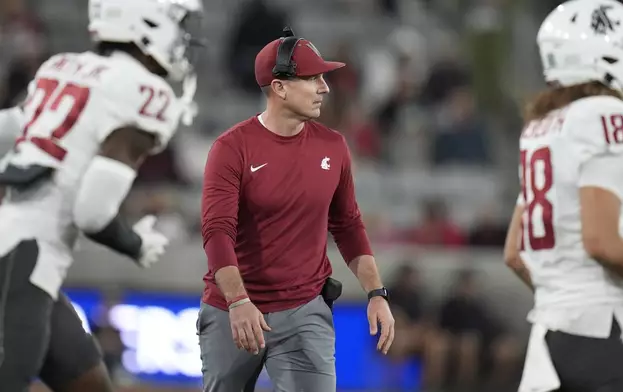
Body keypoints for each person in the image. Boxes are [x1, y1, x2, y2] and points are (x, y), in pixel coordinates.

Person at [0, 0, 203, 391]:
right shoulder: (146, 93)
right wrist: (136, 243)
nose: (181, 38)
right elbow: (92, 211)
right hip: (24, 260)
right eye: (176, 23)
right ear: (145, 24)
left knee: (89, 384)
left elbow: (14, 125)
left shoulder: (61, 67)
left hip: (25, 257)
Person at [199, 28, 395, 392]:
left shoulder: (334, 146)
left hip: (305, 310)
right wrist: (238, 300)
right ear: (280, 87)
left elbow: (348, 225)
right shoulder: (231, 149)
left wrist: (376, 293)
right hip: (233, 310)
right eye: (313, 78)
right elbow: (217, 232)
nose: (325, 87)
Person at [503, 0, 623, 391]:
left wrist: (564, 296)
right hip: (598, 334)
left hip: (550, 336)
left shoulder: (540, 127)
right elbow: (602, 243)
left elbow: (514, 254)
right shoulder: (606, 114)